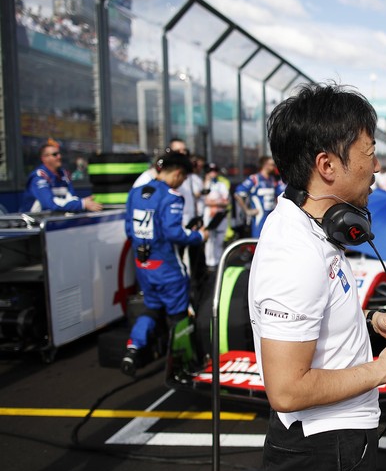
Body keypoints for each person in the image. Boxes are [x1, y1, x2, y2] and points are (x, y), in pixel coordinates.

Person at [249, 82, 386, 471]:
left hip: (334, 445)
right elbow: (286, 389)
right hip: (325, 451)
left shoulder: (312, 230)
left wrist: (367, 321)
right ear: (328, 165)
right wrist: (383, 370)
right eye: (368, 154)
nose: (377, 167)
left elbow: (314, 322)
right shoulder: (295, 254)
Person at [122, 151, 208, 376]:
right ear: (178, 174)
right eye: (183, 178)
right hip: (167, 268)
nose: (182, 183)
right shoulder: (171, 196)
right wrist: (199, 237)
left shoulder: (136, 193)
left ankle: (133, 349)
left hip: (144, 266)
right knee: (179, 315)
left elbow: (129, 231)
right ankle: (184, 364)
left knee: (151, 308)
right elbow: (173, 233)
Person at [21, 141, 103, 213]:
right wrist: (82, 204)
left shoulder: (64, 174)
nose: (59, 157)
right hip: (34, 225)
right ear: (44, 158)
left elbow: (71, 198)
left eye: (59, 153)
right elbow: (50, 204)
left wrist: (84, 202)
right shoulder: (39, 177)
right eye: (55, 154)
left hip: (56, 223)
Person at [234, 156, 279, 238]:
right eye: (272, 165)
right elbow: (237, 194)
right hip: (259, 219)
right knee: (257, 243)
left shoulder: (272, 180)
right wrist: (247, 210)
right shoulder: (255, 179)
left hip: (271, 218)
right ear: (265, 165)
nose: (274, 167)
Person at [200, 163, 230, 269]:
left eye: (215, 171)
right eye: (210, 171)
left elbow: (226, 201)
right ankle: (210, 262)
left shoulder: (221, 185)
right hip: (209, 215)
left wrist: (213, 202)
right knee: (210, 239)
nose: (213, 173)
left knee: (220, 238)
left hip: (220, 215)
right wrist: (215, 202)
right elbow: (204, 201)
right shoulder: (204, 184)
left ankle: (219, 261)